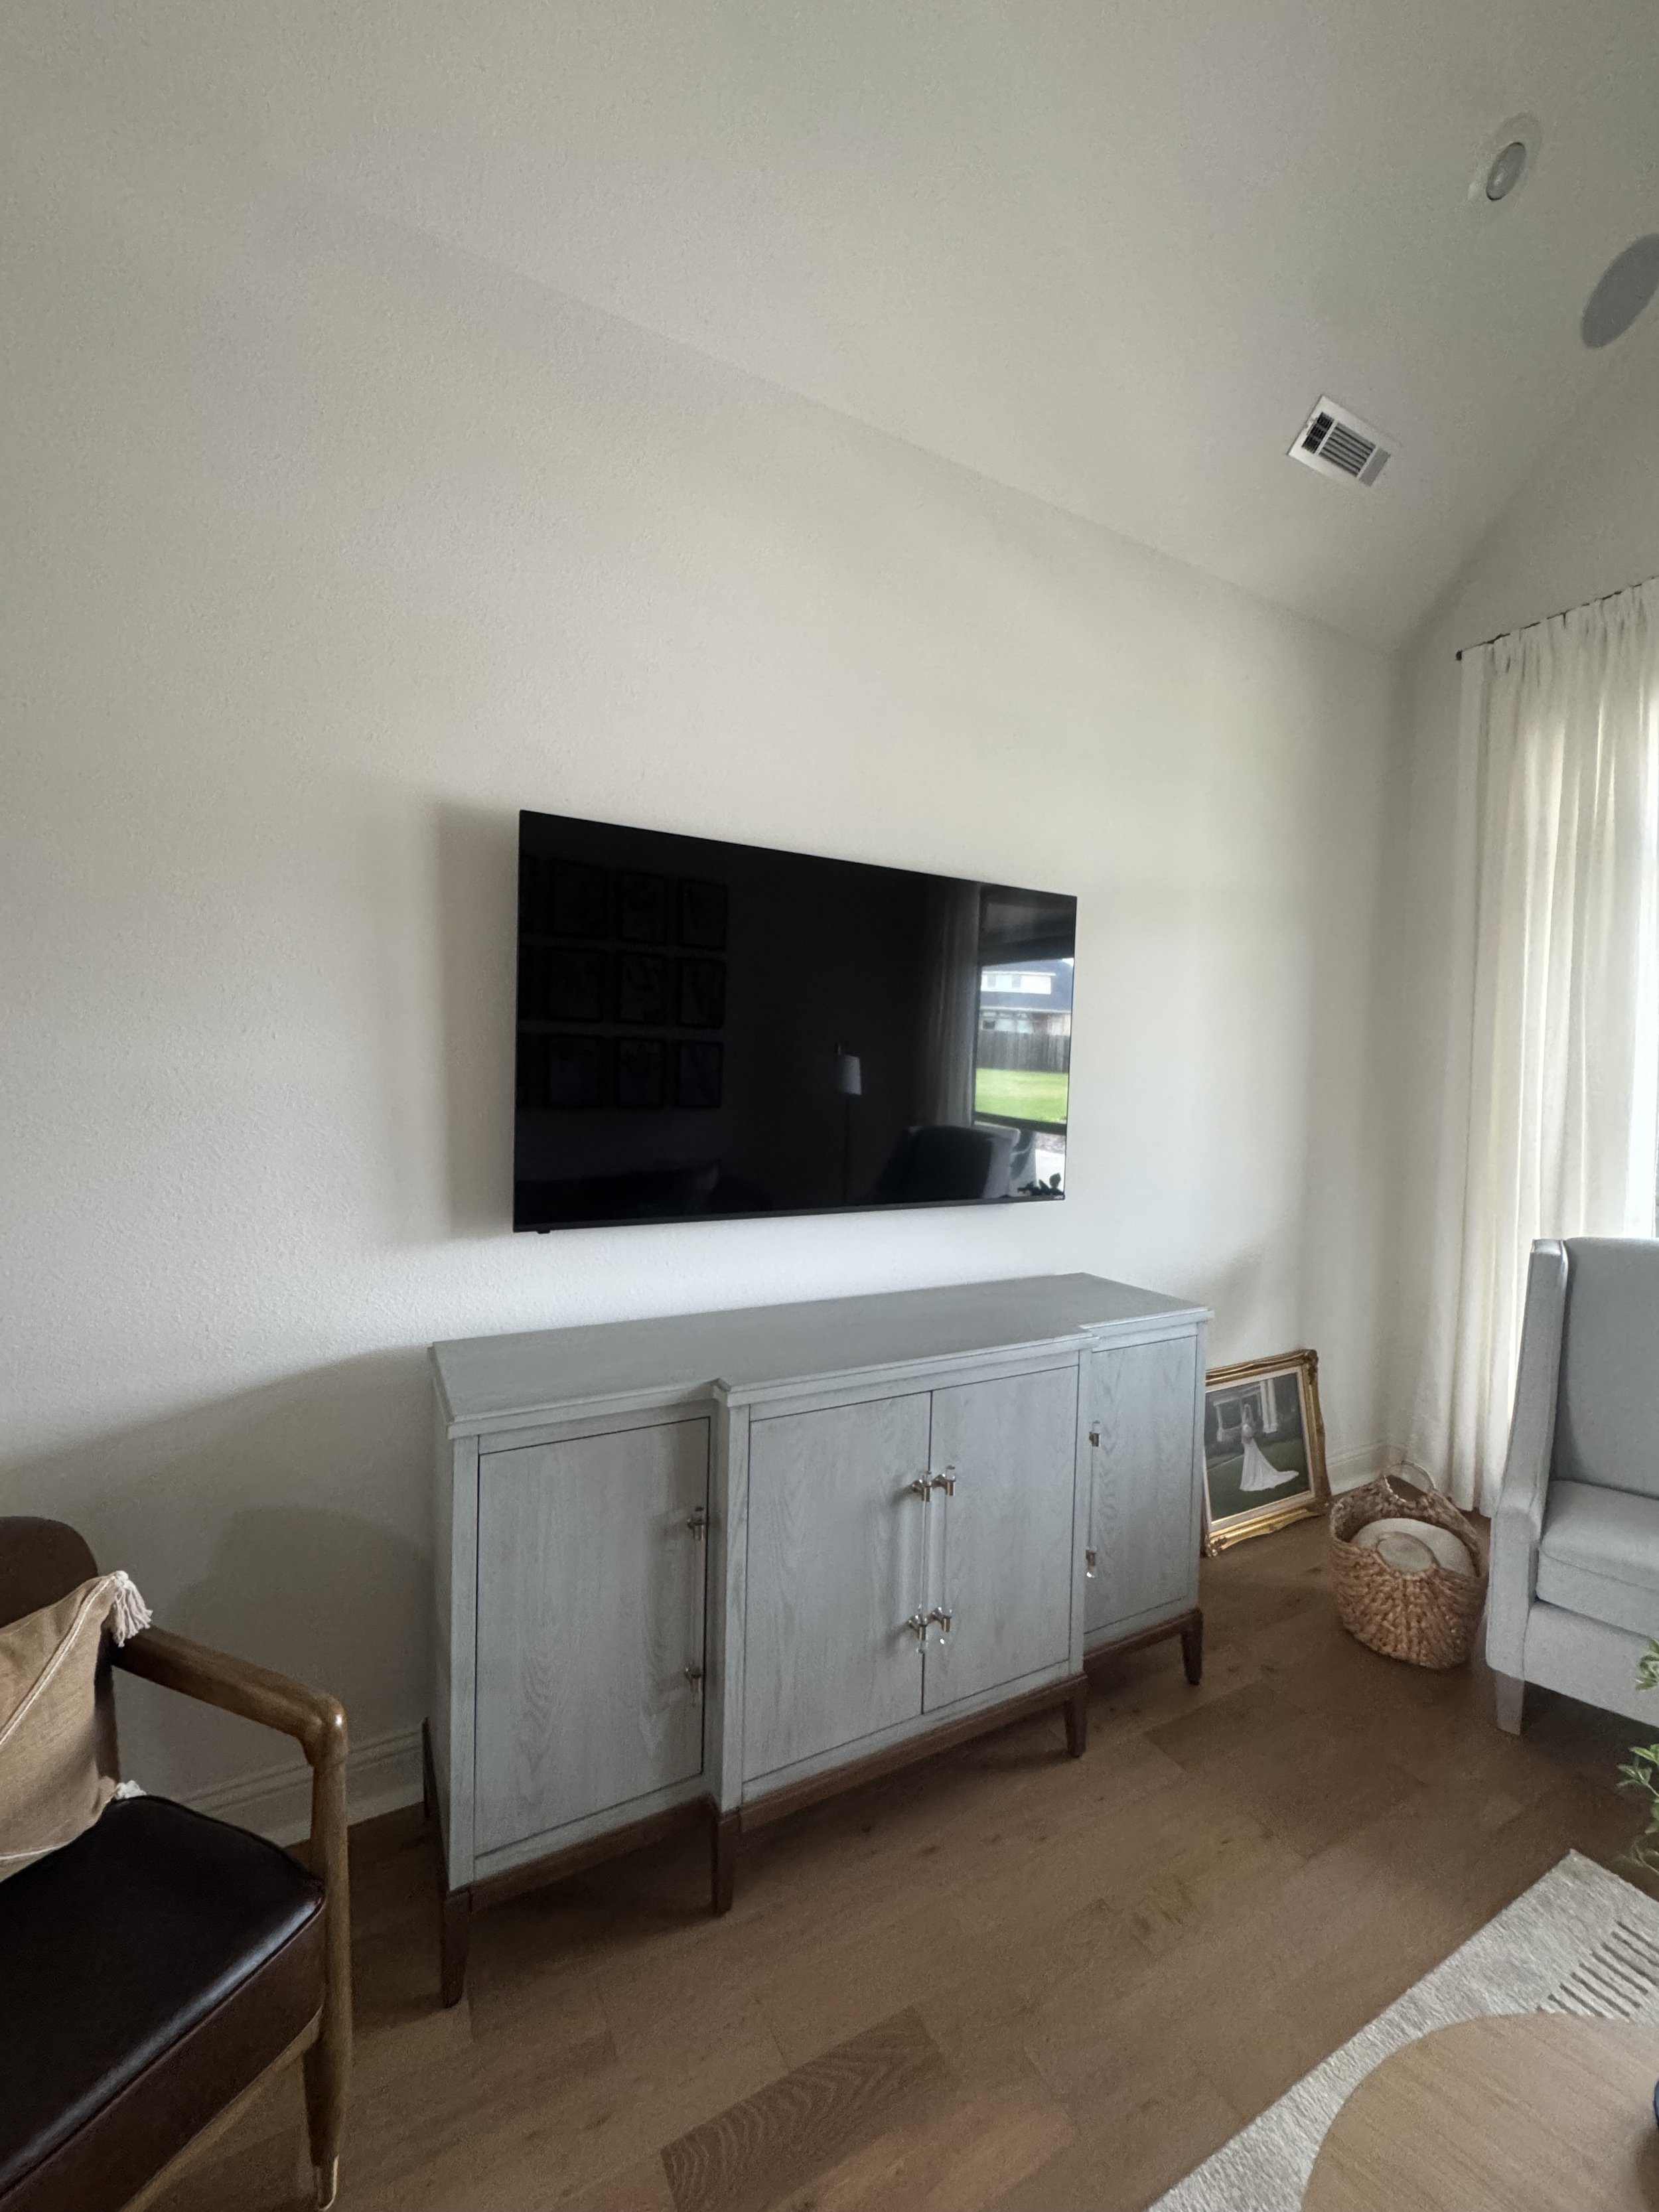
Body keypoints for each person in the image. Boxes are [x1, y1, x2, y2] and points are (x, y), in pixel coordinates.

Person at [1236, 1398, 1285, 1493]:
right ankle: (1249, 1478)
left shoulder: (1250, 1421)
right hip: (1247, 1444)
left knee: (1255, 1458)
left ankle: (1257, 1476)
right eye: (1245, 1411)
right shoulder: (1243, 1423)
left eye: (1247, 1410)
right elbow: (1243, 1433)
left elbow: (1253, 1430)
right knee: (1249, 1459)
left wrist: (1250, 1436)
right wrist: (1245, 1439)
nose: (1246, 1413)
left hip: (1251, 1442)